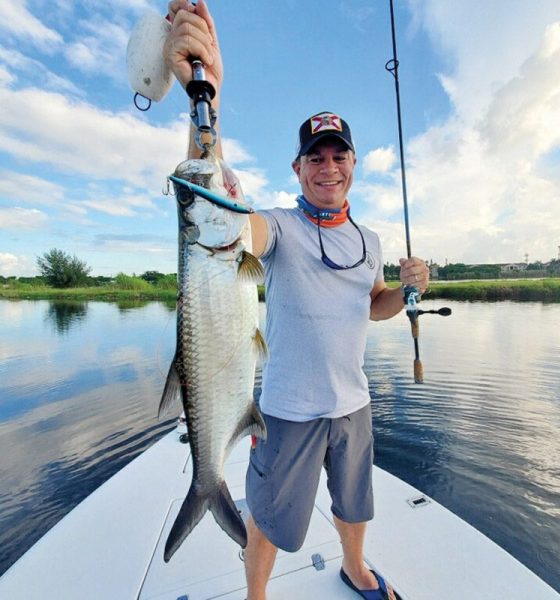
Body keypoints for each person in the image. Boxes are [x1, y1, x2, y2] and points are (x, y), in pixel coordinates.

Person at [164, 3, 430, 599]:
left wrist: (411, 288)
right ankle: (256, 595)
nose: (328, 166)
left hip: (352, 402)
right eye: (316, 156)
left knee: (355, 500)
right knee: (271, 518)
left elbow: (375, 303)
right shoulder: (277, 225)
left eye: (338, 155)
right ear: (299, 167)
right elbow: (219, 221)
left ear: (354, 165)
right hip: (285, 409)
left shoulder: (369, 240)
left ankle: (354, 565)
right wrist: (206, 100)